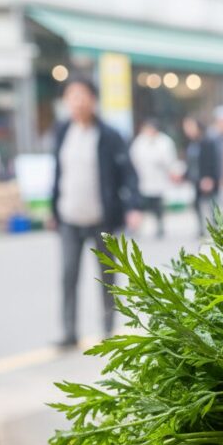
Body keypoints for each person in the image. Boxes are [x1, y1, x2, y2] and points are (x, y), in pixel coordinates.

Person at [51, 76, 141, 348]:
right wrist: (53, 207)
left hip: (102, 218)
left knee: (107, 277)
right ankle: (69, 332)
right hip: (69, 217)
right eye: (71, 96)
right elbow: (57, 174)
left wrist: (133, 206)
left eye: (81, 96)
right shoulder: (62, 131)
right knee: (68, 275)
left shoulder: (109, 135)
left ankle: (108, 329)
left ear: (93, 100)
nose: (76, 102)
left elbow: (128, 173)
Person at [130, 119, 177, 238]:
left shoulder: (164, 141)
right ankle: (137, 228)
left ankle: (160, 227)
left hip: (159, 179)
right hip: (143, 179)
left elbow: (170, 160)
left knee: (158, 206)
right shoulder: (139, 141)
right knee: (141, 205)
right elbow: (134, 159)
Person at [182, 116, 218, 235]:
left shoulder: (207, 141)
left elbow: (211, 161)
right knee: (197, 205)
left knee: (212, 205)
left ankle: (217, 229)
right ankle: (201, 229)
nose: (187, 130)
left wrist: (208, 177)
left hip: (206, 179)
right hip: (195, 179)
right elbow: (191, 163)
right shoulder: (191, 143)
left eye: (190, 126)